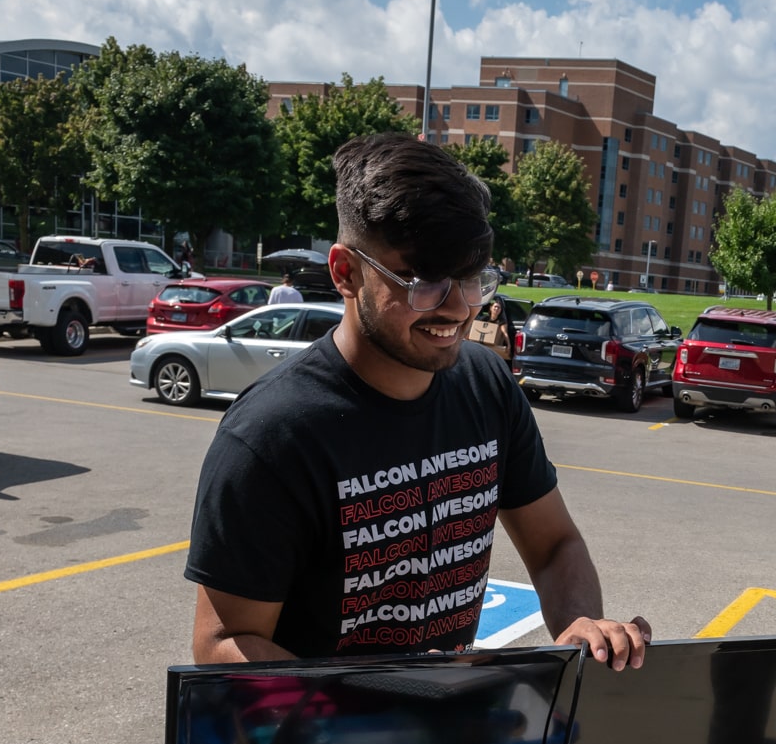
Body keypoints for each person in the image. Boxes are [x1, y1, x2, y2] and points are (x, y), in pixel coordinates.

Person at [186, 133, 649, 670]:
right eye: (423, 280)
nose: (456, 308)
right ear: (345, 273)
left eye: (472, 277)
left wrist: (577, 624)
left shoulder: (486, 385)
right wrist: (389, 705)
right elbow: (222, 644)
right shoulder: (272, 434)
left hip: (444, 727)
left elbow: (554, 546)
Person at [466, 298, 513, 364]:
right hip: (481, 345)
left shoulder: (501, 321)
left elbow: (504, 333)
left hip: (493, 346)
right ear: (491, 308)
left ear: (501, 310)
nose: (496, 309)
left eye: (499, 308)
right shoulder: (484, 319)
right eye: (495, 307)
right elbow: (475, 328)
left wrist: (509, 345)